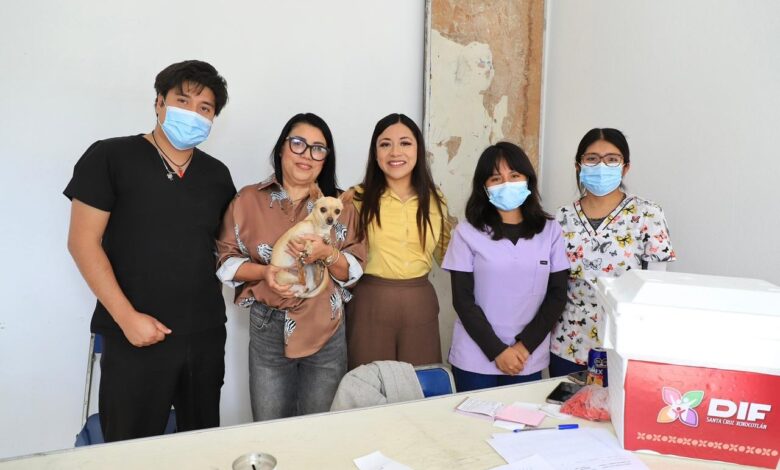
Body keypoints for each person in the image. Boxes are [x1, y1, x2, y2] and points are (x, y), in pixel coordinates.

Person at [64, 60, 235, 441]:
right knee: (130, 450)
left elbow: (227, 250)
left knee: (202, 445)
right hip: (134, 335)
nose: (193, 114)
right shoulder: (110, 157)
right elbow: (82, 242)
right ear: (159, 102)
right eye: (182, 101)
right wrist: (127, 319)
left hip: (204, 335)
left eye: (205, 108)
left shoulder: (217, 175)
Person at [216, 113, 366, 420]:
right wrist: (264, 272)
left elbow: (352, 272)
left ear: (326, 158)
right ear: (282, 148)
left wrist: (327, 253)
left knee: (321, 427)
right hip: (268, 325)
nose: (307, 154)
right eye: (298, 143)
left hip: (326, 326)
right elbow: (225, 261)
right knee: (270, 425)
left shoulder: (340, 206)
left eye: (318, 149)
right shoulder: (248, 200)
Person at [441, 142, 569, 391]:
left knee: (521, 416)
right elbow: (463, 301)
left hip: (526, 357)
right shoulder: (467, 232)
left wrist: (523, 347)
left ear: (528, 180)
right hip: (476, 357)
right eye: (496, 179)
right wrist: (498, 351)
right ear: (484, 187)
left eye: (514, 176)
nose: (507, 184)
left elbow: (557, 296)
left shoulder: (550, 230)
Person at [549, 128, 677, 377]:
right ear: (578, 165)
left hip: (625, 343)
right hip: (569, 342)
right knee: (568, 402)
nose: (601, 166)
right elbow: (553, 285)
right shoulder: (562, 217)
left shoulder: (648, 214)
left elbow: (656, 287)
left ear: (625, 167)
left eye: (611, 159)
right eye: (592, 159)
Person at [346, 113, 452, 369]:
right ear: (375, 153)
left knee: (419, 383)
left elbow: (448, 255)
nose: (395, 152)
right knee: (370, 383)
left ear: (418, 150)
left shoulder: (435, 199)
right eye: (385, 144)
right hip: (369, 304)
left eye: (405, 143)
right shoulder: (356, 198)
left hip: (420, 304)